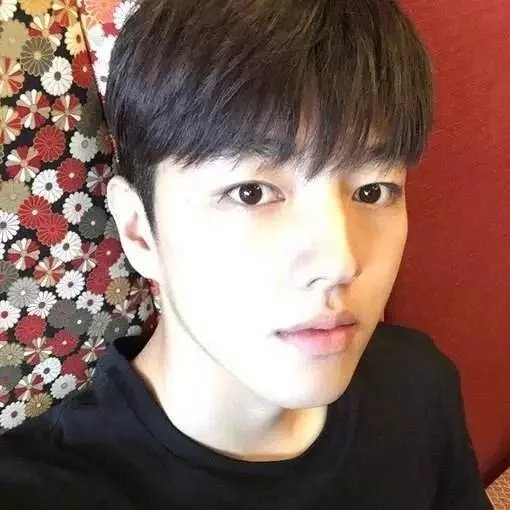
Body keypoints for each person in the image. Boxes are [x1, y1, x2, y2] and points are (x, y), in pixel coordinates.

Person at [0, 0, 493, 508]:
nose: (339, 262)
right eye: (251, 192)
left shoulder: (419, 386)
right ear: (140, 231)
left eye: (373, 191)